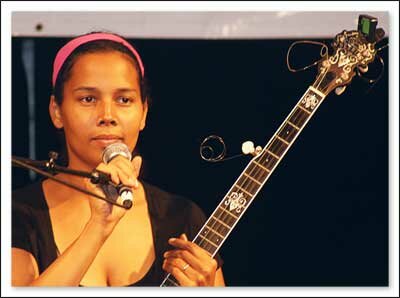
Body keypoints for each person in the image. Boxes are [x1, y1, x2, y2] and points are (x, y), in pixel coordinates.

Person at [12, 32, 225, 287]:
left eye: (124, 100)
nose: (107, 116)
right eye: (88, 99)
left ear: (144, 112)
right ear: (57, 111)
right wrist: (98, 226)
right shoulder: (16, 214)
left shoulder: (182, 216)